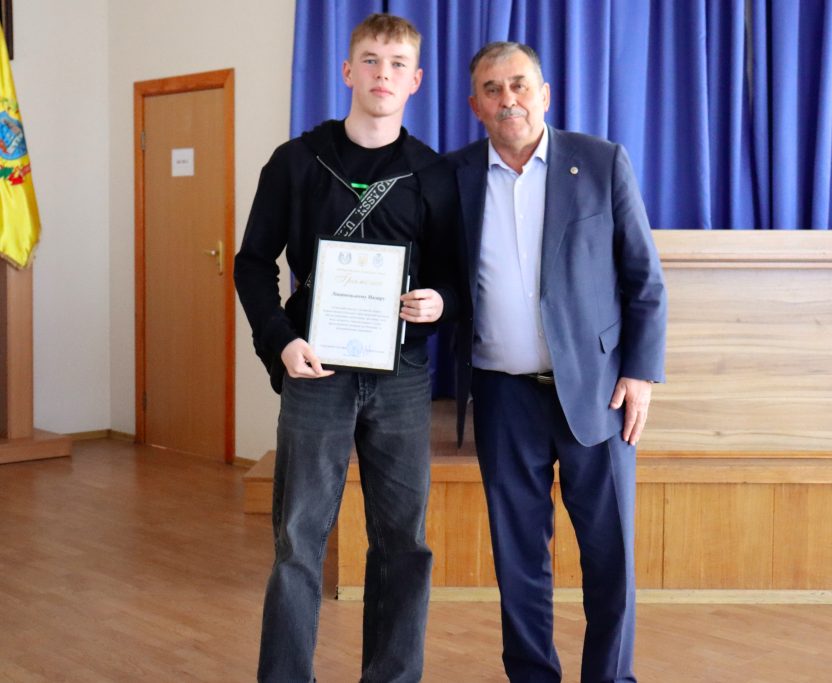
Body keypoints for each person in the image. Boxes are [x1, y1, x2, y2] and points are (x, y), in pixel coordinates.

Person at [234, 13, 459, 683]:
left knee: (403, 542)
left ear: (415, 80)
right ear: (347, 71)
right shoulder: (296, 161)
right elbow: (252, 264)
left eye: (397, 64)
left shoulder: (433, 174)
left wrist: (440, 302)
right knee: (298, 539)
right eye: (370, 60)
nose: (383, 74)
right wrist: (280, 342)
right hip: (314, 371)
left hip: (401, 377)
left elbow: (454, 276)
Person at [448, 42, 667, 682]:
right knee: (518, 559)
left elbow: (644, 280)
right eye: (492, 89)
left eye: (519, 84)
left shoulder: (601, 162)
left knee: (609, 556)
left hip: (598, 392)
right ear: (475, 105)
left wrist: (639, 374)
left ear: (544, 94)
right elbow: (446, 278)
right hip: (501, 395)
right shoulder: (454, 175)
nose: (507, 99)